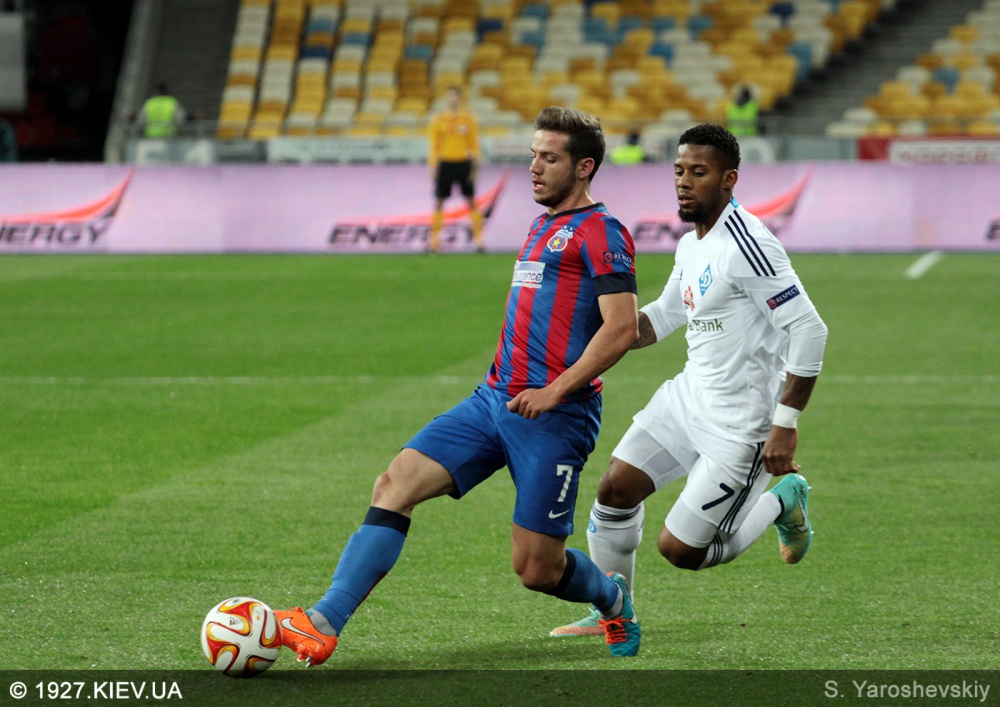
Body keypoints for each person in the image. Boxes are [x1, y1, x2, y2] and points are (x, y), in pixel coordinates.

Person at [275, 106, 643, 666]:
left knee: (536, 568)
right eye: (533, 156)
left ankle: (612, 599)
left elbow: (620, 328)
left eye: (549, 158)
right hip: (493, 400)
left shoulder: (602, 233)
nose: (534, 167)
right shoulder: (542, 224)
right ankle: (324, 621)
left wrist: (555, 391)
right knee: (394, 484)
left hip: (554, 416)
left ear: (584, 166)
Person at [550, 123, 827, 638]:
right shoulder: (690, 243)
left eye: (698, 172)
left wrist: (785, 424)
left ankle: (783, 498)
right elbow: (665, 315)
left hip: (740, 425)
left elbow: (810, 330)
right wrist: (603, 333)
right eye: (679, 171)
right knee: (614, 490)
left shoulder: (748, 244)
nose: (683, 181)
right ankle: (613, 612)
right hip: (686, 399)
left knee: (682, 551)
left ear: (729, 179)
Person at [427, 86, 484, 253]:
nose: (452, 99)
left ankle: (479, 240)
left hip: (463, 162)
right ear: (446, 99)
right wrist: (433, 165)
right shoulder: (439, 120)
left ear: (460, 99)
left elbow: (474, 143)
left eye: (455, 96)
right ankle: (434, 241)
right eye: (450, 96)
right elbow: (434, 145)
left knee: (471, 200)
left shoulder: (468, 119)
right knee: (439, 201)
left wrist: (475, 166)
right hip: (445, 162)